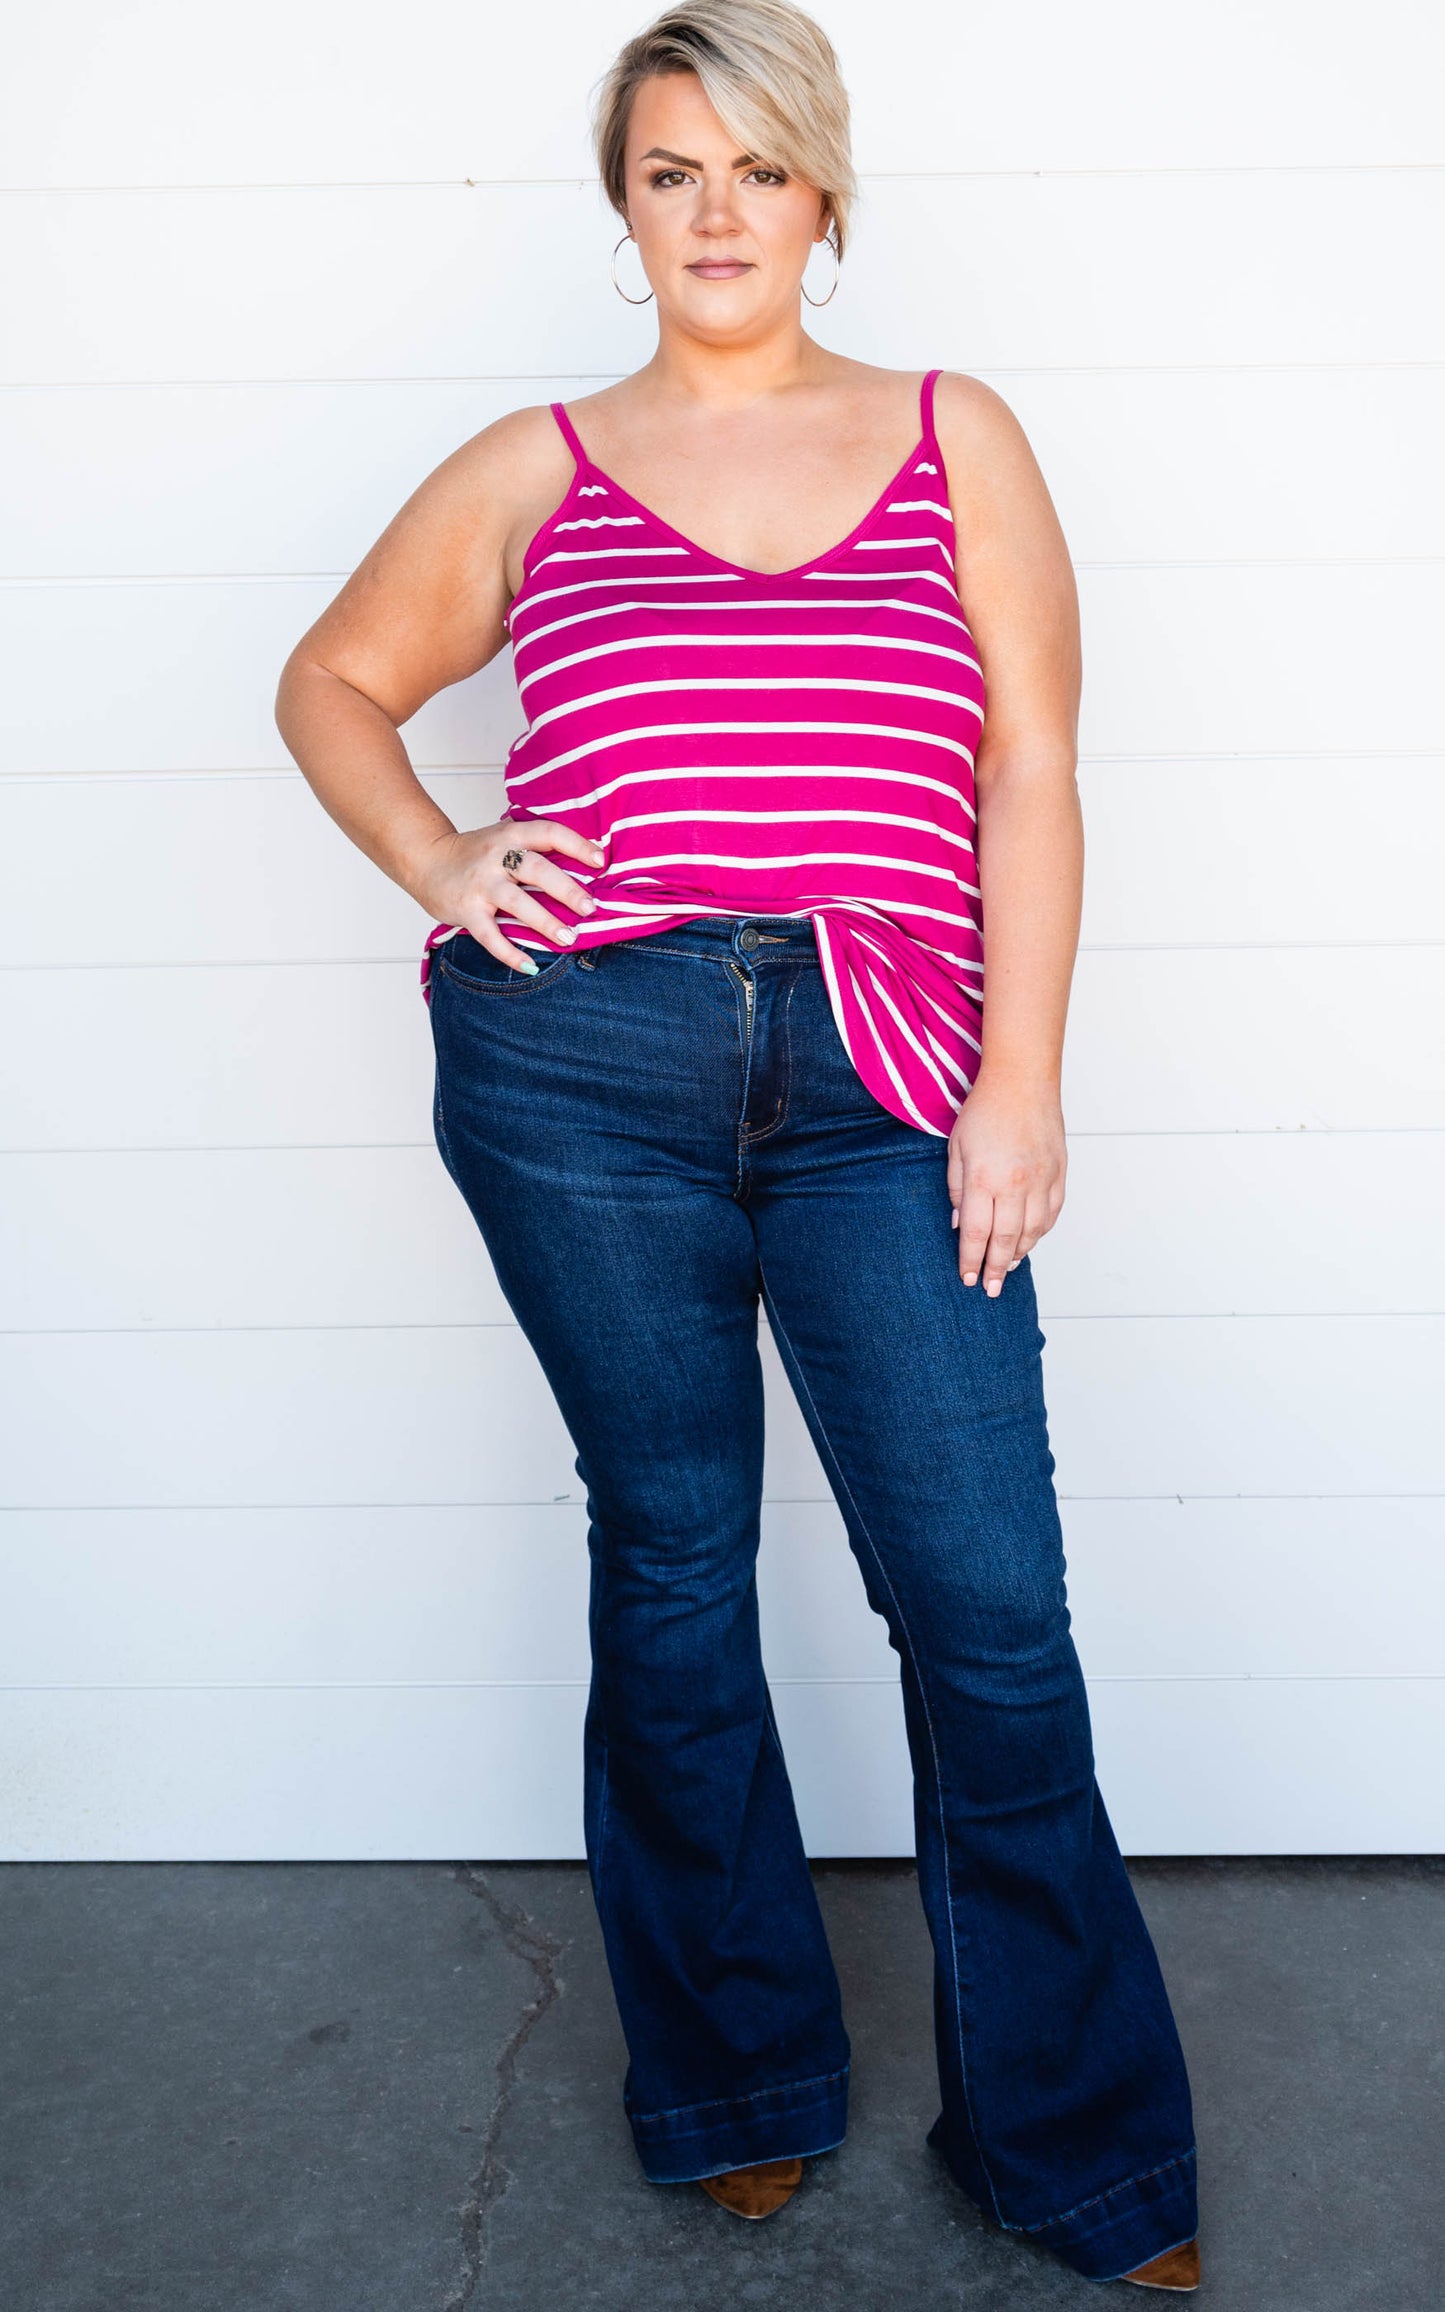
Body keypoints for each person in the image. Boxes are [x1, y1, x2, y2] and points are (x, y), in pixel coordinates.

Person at [274, 0, 1200, 2288]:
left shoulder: (951, 434)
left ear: (825, 195)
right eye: (672, 172)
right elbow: (332, 677)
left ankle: (1074, 2146)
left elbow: (1033, 778)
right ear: (627, 206)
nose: (716, 213)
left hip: (898, 1067)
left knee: (987, 1610)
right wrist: (445, 857)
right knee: (676, 1569)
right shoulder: (539, 463)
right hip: (588, 1063)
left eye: (755, 171)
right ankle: (737, 2083)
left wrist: (1027, 1075)